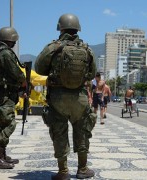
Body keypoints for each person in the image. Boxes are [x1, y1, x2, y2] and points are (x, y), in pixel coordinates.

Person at [35, 14, 96, 180]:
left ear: (60, 28)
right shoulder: (87, 49)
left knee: (59, 132)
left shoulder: (53, 47)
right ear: (77, 29)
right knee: (82, 132)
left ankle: (63, 172)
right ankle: (82, 169)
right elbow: (92, 74)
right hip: (80, 98)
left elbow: (39, 68)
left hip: (58, 97)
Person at [0, 27, 26, 169]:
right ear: (10, 40)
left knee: (2, 124)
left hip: (4, 94)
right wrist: (24, 81)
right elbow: (15, 73)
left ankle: (2, 155)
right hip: (3, 96)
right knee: (8, 123)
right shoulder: (5, 53)